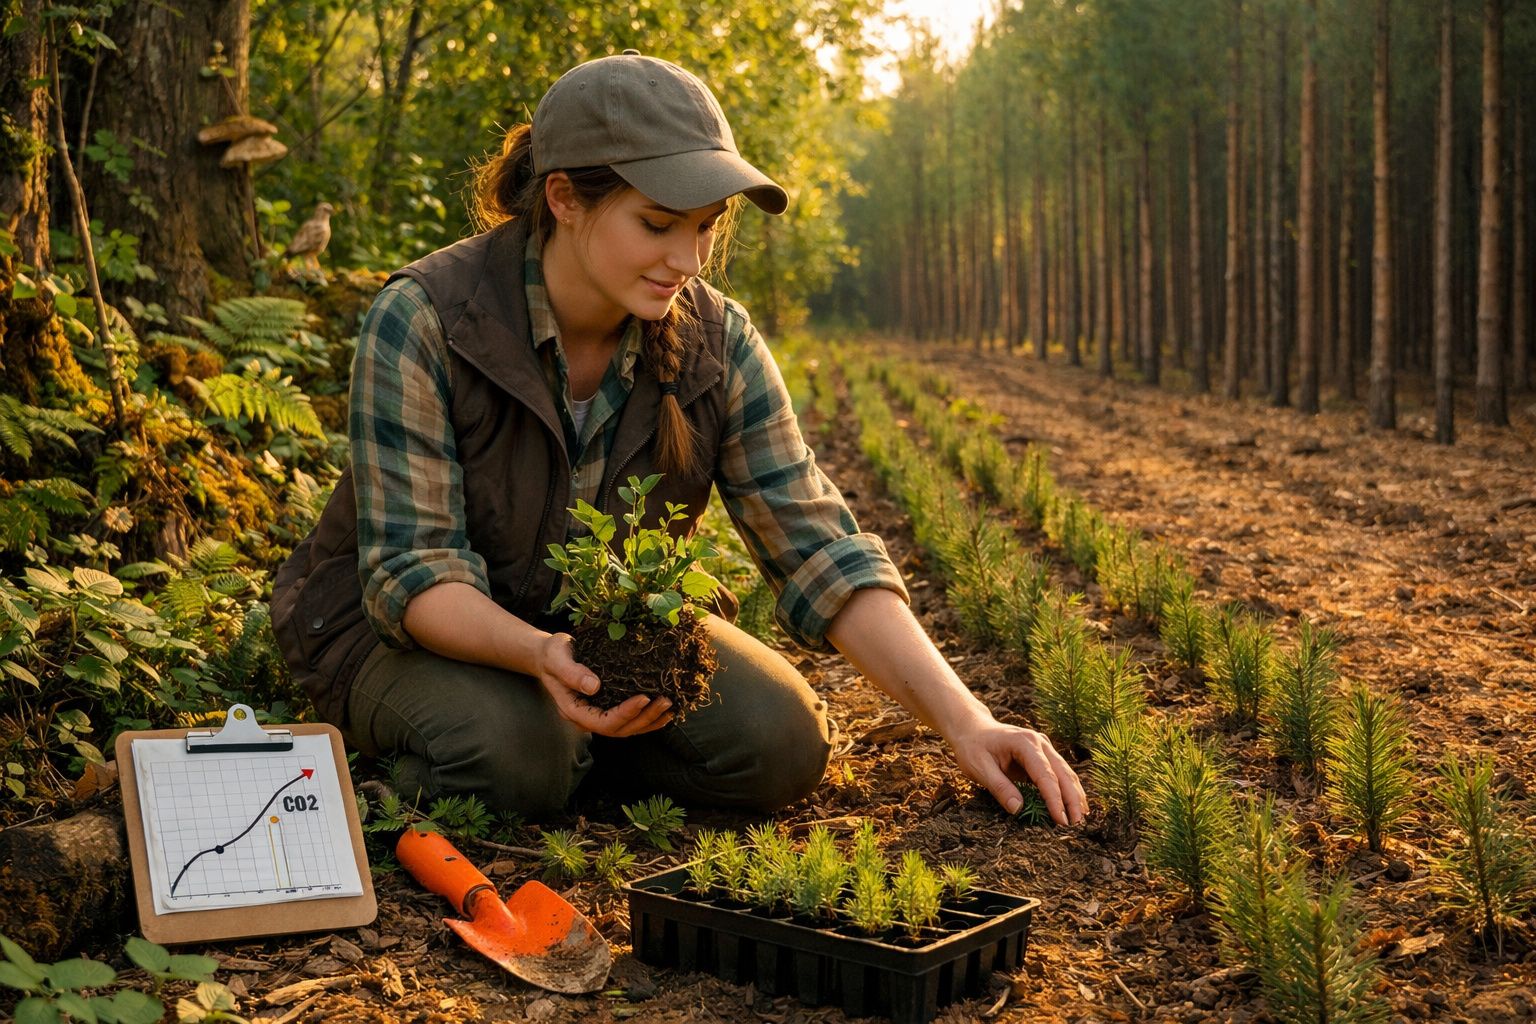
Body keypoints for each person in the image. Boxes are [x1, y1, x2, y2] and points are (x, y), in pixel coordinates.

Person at [271, 50, 1087, 828]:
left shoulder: (716, 341)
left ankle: (578, 748)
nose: (687, 260)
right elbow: (415, 573)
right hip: (414, 631)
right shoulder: (425, 319)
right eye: (658, 223)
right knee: (514, 755)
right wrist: (538, 656)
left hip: (598, 631)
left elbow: (817, 545)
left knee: (780, 742)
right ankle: (477, 767)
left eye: (706, 227)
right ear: (563, 199)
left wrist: (967, 722)